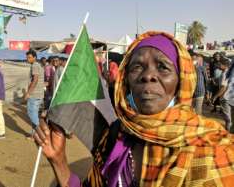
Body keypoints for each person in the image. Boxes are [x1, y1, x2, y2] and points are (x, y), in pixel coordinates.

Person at [34, 32, 234, 187]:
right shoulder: (115, 136)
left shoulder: (213, 153)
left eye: (163, 67)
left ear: (182, 81)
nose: (148, 76)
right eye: (137, 67)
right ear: (125, 81)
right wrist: (58, 160)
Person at [24, 49, 45, 132]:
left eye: (29, 57)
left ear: (34, 57)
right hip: (38, 94)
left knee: (31, 113)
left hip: (35, 95)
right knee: (35, 114)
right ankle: (35, 133)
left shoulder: (35, 66)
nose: (28, 59)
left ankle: (39, 133)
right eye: (27, 57)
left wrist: (28, 93)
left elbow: (35, 80)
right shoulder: (37, 65)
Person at [212, 57, 231, 131]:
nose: (218, 65)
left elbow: (223, 88)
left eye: (220, 64)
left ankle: (229, 133)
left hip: (225, 98)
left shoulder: (225, 74)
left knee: (228, 119)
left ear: (224, 65)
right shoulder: (226, 73)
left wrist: (215, 97)